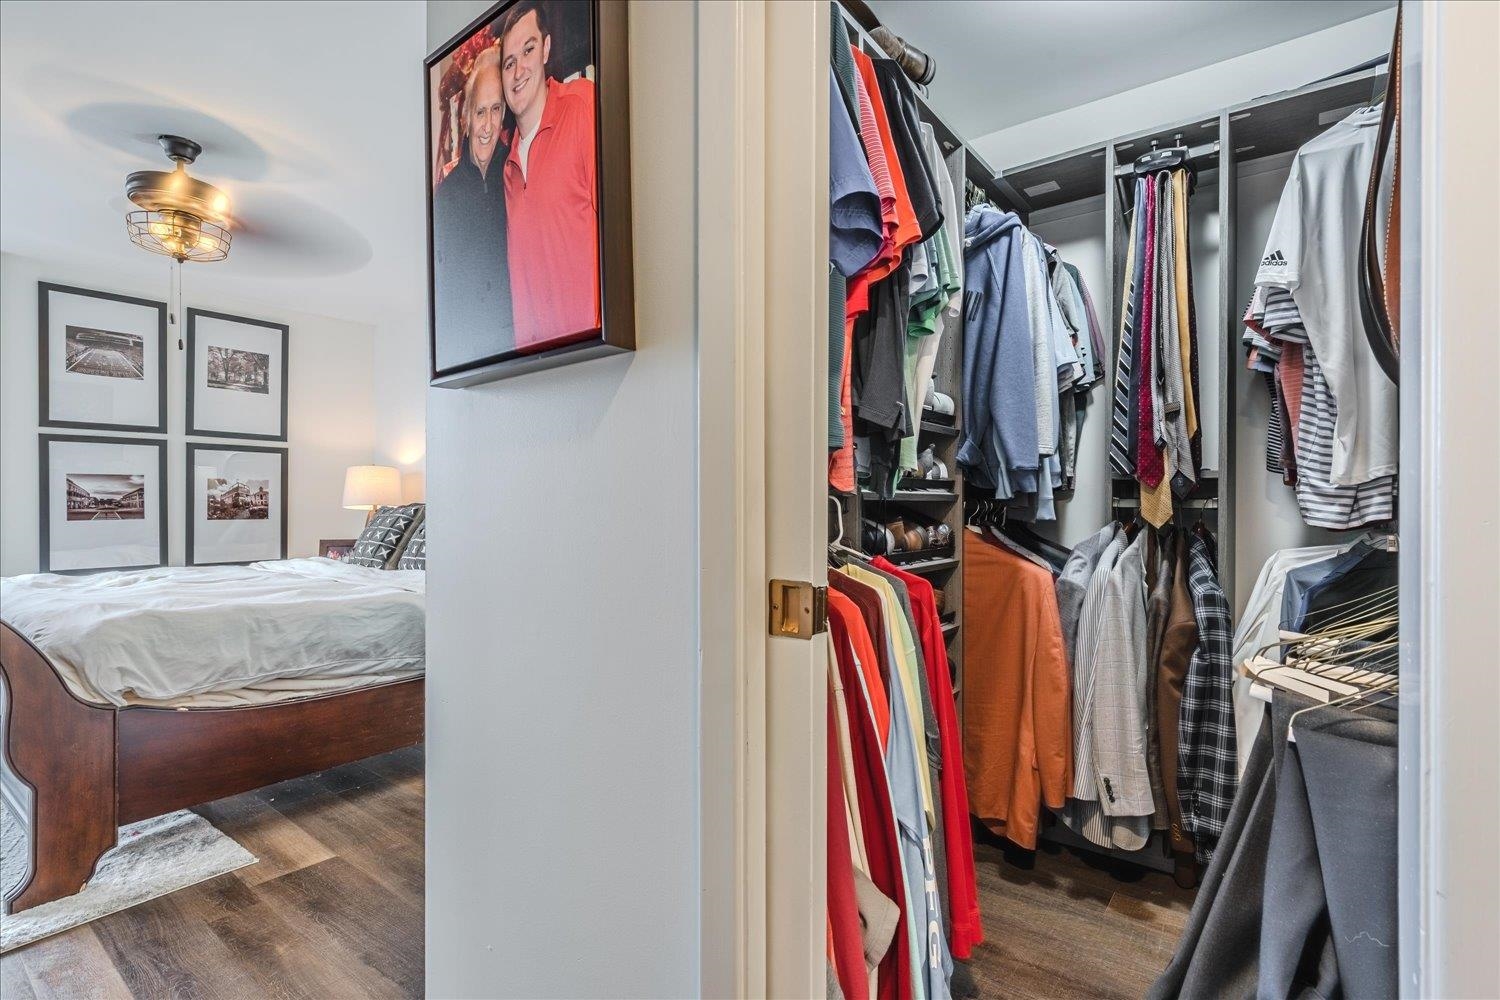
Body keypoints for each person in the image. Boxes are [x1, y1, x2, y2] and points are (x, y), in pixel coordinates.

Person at [497, 1, 600, 349]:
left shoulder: (584, 107)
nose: (518, 70)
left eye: (527, 50)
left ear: (546, 48)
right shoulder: (506, 169)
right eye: (509, 63)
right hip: (537, 374)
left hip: (597, 356)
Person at [432, 45, 514, 366]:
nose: (488, 125)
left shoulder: (515, 171)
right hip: (466, 355)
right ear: (466, 116)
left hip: (514, 347)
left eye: (496, 110)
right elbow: (444, 294)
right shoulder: (446, 196)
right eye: (481, 112)